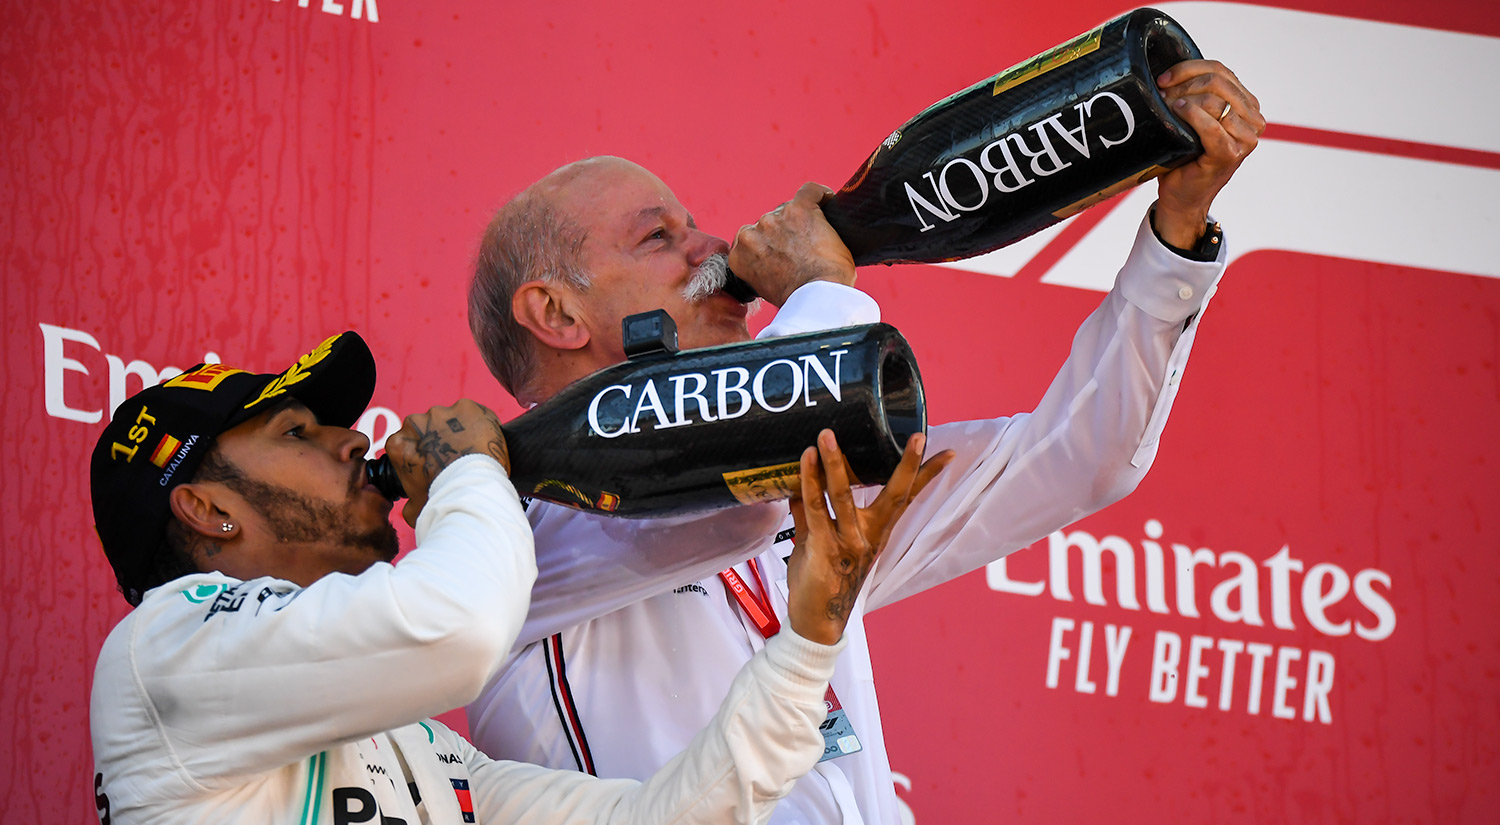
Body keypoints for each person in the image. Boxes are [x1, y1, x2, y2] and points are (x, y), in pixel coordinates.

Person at [464, 61, 1263, 824]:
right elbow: (743, 489)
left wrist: (1176, 234)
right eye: (657, 239)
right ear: (558, 314)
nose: (712, 248)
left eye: (693, 225)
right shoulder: (519, 523)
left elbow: (1082, 454)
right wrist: (817, 287)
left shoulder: (789, 499)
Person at [86, 330, 948, 825]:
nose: (351, 442)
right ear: (206, 509)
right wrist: (468, 474)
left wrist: (807, 642)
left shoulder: (420, 750)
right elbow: (460, 626)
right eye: (298, 432)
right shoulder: (162, 650)